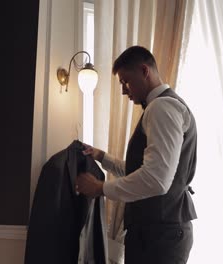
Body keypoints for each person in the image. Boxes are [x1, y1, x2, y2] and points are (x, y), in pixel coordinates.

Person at [76, 45, 197, 264]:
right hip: (159, 233)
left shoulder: (162, 108)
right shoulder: (162, 107)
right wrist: (102, 157)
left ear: (144, 71)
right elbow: (142, 170)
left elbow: (155, 179)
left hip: (160, 237)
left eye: (125, 81)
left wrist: (99, 188)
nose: (124, 90)